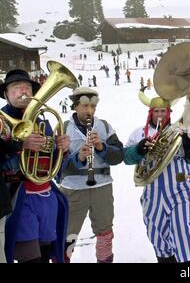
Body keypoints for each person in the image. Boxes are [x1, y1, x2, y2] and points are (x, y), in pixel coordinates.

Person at [0, 69, 70, 263]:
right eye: (16, 87)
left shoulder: (43, 122)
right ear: (6, 94)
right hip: (17, 201)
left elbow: (54, 171)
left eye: (28, 87)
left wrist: (62, 151)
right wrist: (20, 148)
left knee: (46, 254)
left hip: (46, 200)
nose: (23, 90)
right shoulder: (1, 122)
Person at [123, 97, 190, 263]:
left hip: (180, 188)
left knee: (183, 231)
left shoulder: (180, 130)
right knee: (156, 232)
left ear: (168, 112)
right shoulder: (138, 133)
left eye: (162, 111)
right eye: (156, 111)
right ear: (150, 113)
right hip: (152, 193)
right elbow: (127, 158)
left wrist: (188, 143)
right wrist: (138, 149)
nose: (159, 115)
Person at [59, 87, 124, 263]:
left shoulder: (103, 126)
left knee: (105, 232)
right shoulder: (63, 127)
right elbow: (56, 167)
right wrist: (78, 158)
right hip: (73, 189)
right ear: (75, 106)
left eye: (93, 107)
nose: (89, 111)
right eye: (85, 106)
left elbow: (119, 156)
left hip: (102, 187)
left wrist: (102, 148)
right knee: (67, 234)